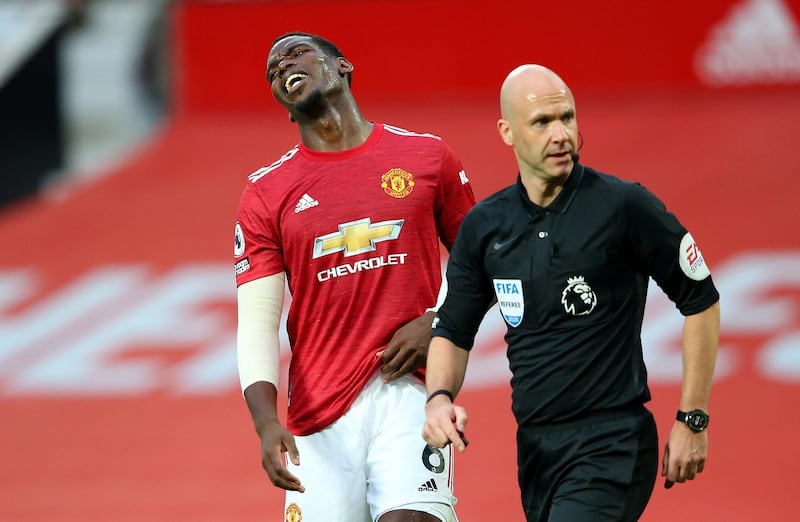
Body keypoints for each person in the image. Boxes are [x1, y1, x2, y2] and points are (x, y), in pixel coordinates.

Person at [421, 64, 721, 521]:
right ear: (507, 131)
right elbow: (454, 329)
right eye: (542, 122)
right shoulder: (486, 226)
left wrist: (692, 419)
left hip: (613, 442)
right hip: (537, 449)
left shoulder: (623, 206)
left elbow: (700, 300)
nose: (561, 134)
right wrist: (439, 397)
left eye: (568, 117)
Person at [233, 32, 476, 522]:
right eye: (273, 70)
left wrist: (439, 321)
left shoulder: (427, 157)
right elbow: (258, 320)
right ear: (284, 107)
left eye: (296, 53)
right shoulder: (265, 192)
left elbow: (478, 256)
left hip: (410, 389)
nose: (282, 66)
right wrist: (264, 422)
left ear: (342, 65)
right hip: (319, 410)